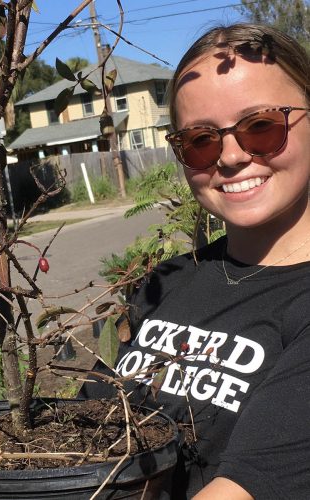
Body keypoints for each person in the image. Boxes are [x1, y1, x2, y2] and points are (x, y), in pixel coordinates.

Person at [81, 23, 310, 499]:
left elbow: (242, 488)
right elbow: (84, 428)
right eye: (200, 140)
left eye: (261, 127)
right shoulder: (167, 281)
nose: (229, 157)